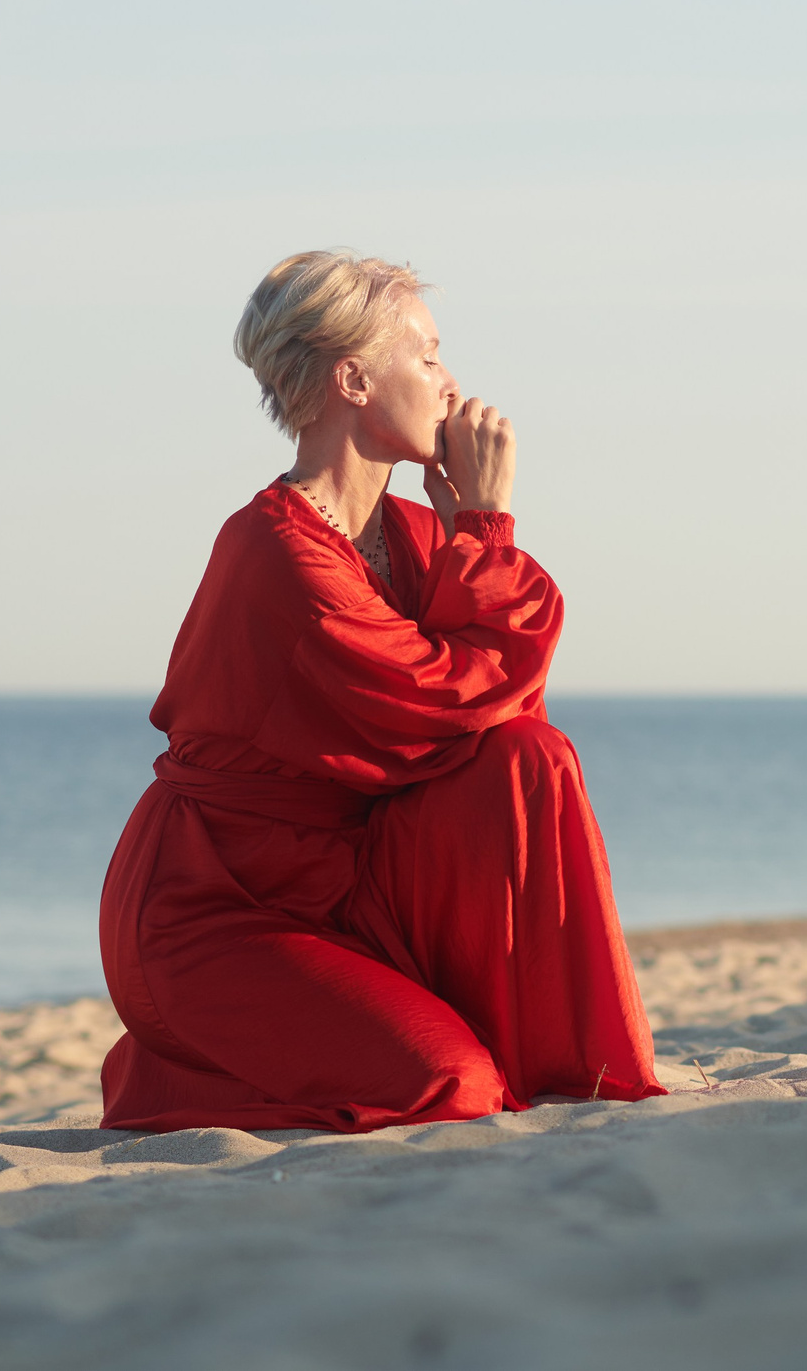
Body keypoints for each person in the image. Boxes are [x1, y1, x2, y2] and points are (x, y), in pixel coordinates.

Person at [97, 250, 664, 1132]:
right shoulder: (274, 552)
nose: (452, 384)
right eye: (430, 356)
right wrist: (483, 524)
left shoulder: (408, 530)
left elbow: (502, 715)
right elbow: (437, 700)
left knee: (529, 756)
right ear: (354, 379)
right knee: (452, 1088)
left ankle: (549, 1058)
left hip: (354, 880)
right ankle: (186, 1058)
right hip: (223, 907)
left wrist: (464, 532)